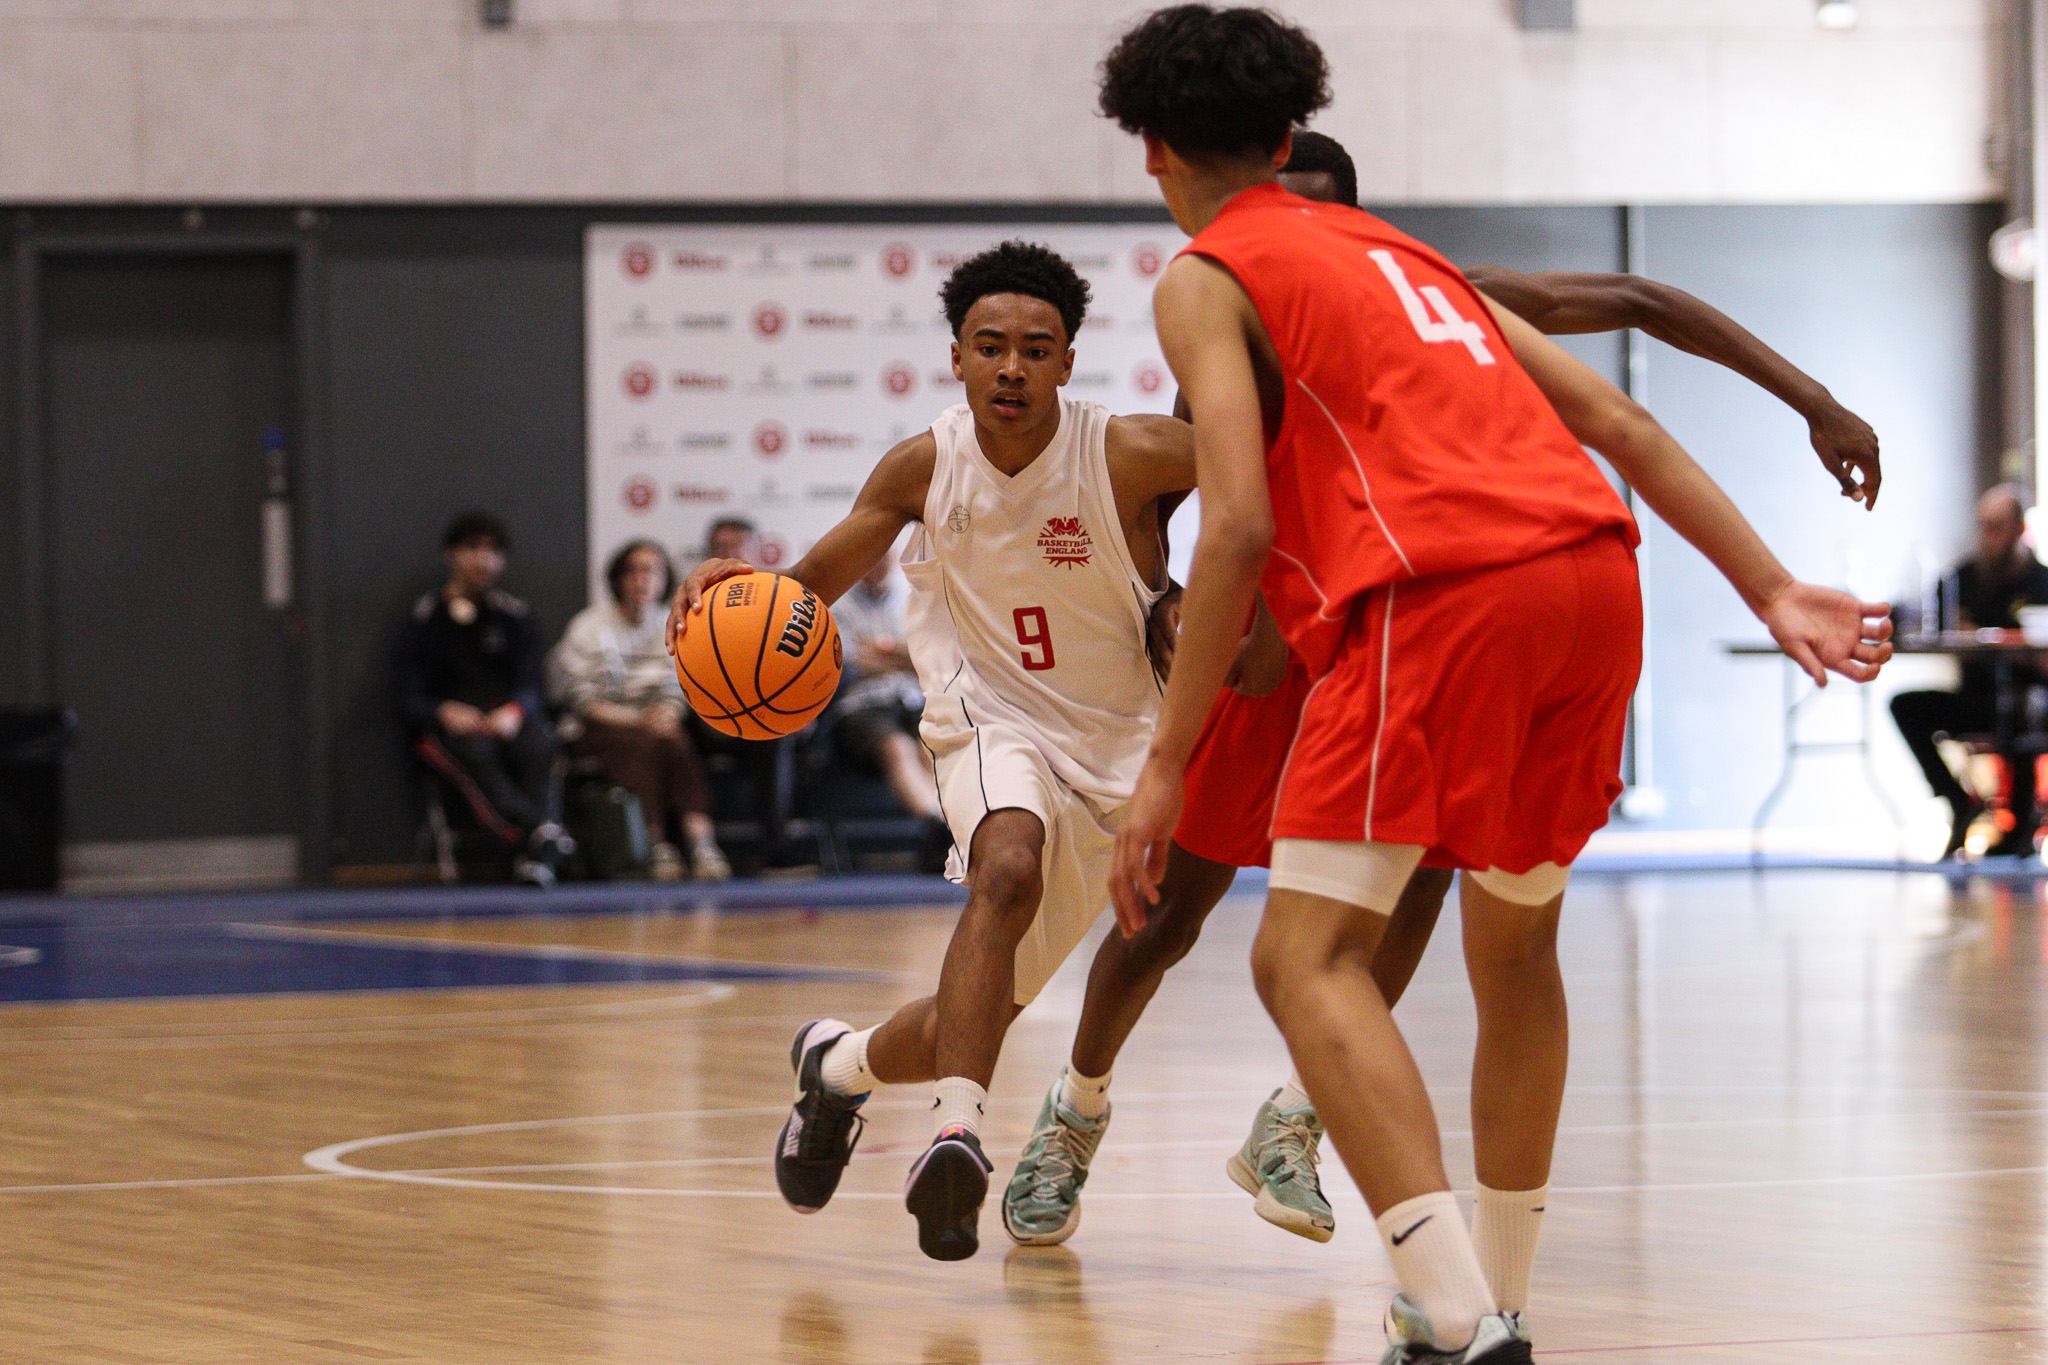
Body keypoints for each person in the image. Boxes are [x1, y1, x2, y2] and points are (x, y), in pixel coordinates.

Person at [1100, 8, 1891, 1362]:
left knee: (1303, 958)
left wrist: (1164, 765)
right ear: (1288, 141)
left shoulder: (1205, 274)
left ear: (1152, 151)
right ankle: (1500, 1299)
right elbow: (1618, 418)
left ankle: (1452, 1310)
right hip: (1594, 581)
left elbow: (1231, 527)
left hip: (1445, 596)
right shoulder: (1406, 257)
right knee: (1514, 946)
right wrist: (1769, 584)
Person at [667, 240, 1194, 1261]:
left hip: (1117, 756)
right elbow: (805, 591)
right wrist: (736, 584)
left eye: (1034, 349)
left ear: (1067, 360)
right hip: (987, 720)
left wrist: (1185, 595)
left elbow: (1267, 476)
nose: (1011, 368)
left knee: (973, 1012)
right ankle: (956, 1136)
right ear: (956, 357)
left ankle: (836, 1069)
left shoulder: (1125, 452)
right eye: (989, 346)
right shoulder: (924, 465)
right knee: (1006, 865)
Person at [396, 511, 574, 887]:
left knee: (540, 743)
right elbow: (407, 695)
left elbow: (532, 684)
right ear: (451, 554)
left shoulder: (514, 615)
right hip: (451, 726)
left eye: (493, 551)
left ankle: (539, 848)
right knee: (475, 755)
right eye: (473, 548)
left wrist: (514, 711)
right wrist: (443, 710)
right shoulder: (425, 618)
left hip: (505, 718)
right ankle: (541, 834)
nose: (483, 560)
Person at [548, 540, 730, 881]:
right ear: (618, 579)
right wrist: (638, 720)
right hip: (603, 724)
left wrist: (668, 713)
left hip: (659, 723)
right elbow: (582, 700)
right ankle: (655, 843)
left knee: (674, 738)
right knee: (644, 742)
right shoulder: (588, 627)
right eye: (633, 571)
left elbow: (683, 687)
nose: (642, 580)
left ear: (664, 580)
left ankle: (700, 841)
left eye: (651, 571)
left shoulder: (676, 623)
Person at [1890, 484, 2048, 859]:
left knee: (2021, 712)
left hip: (2031, 703)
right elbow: (1917, 613)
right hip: (1977, 699)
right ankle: (1958, 801)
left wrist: (2000, 643)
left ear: (2019, 528)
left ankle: (2020, 829)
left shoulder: (2042, 582)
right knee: (1906, 706)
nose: (1986, 537)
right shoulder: (1963, 579)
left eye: (1996, 527)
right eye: (1982, 526)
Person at [828, 548, 952, 872]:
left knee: (931, 749)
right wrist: (901, 656)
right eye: (872, 556)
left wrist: (883, 654)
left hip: (912, 699)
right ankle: (937, 825)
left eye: (884, 556)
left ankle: (947, 829)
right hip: (861, 706)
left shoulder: (911, 598)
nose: (877, 562)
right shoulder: (837, 605)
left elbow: (928, 661)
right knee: (897, 748)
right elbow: (847, 663)